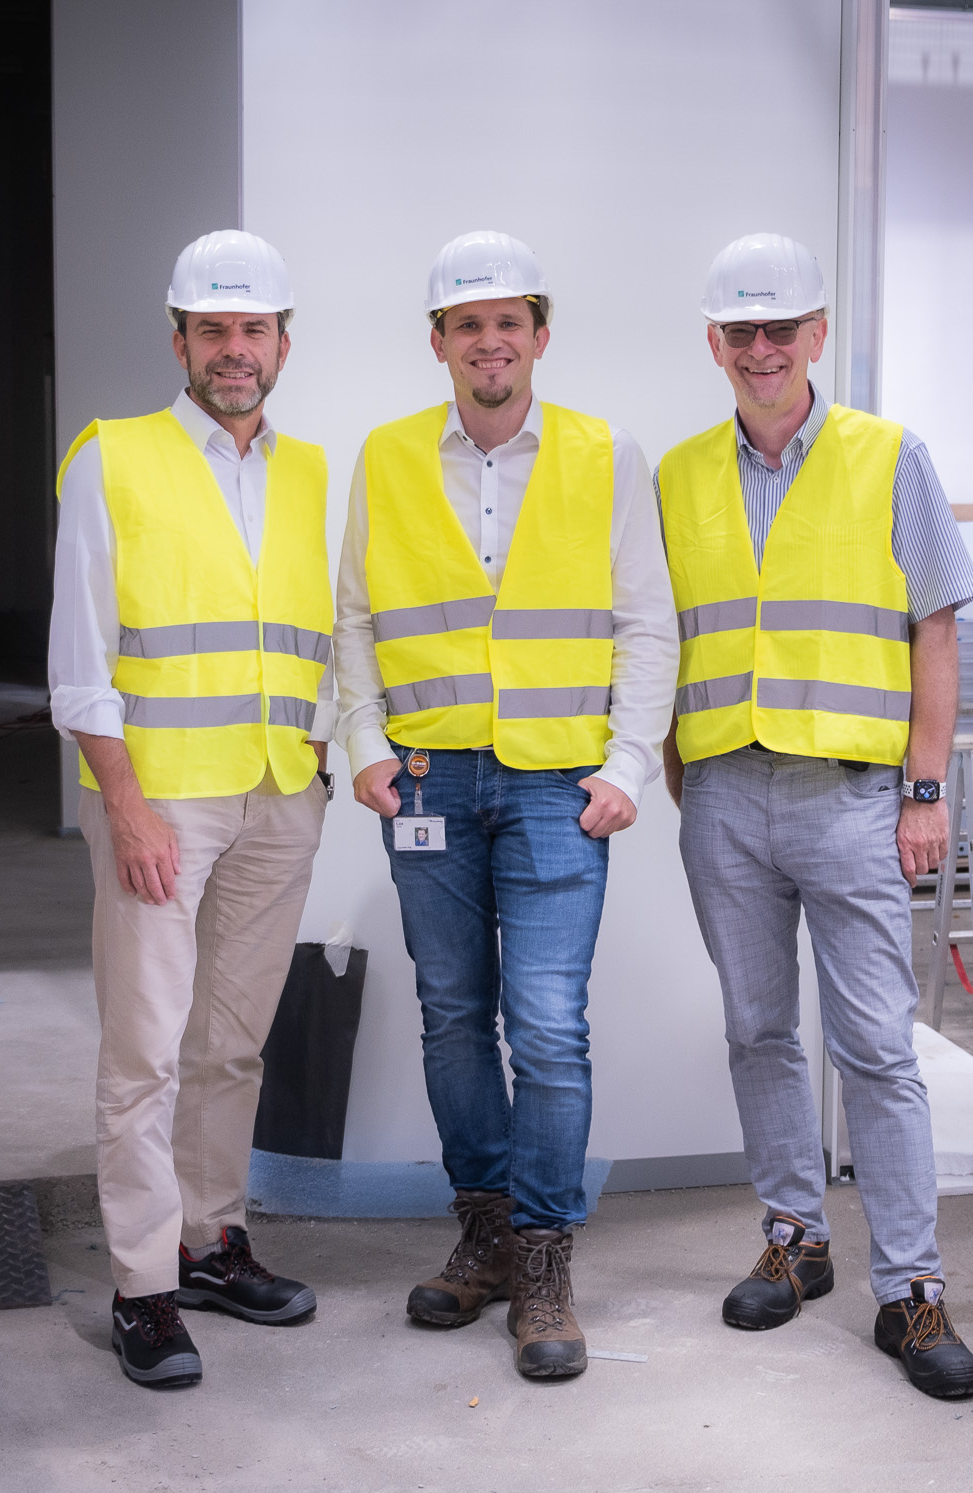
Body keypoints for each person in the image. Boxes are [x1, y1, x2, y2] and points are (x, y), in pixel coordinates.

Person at [334, 231, 677, 1380]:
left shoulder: (598, 451)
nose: (489, 341)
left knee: (545, 1027)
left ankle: (541, 1258)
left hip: (552, 783)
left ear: (537, 334)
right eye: (465, 323)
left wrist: (628, 764)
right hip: (426, 778)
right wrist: (366, 747)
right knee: (449, 1014)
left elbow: (643, 617)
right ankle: (480, 1234)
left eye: (508, 320)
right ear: (437, 343)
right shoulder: (384, 457)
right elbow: (353, 619)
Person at [655, 232, 973, 1400]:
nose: (759, 350)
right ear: (713, 343)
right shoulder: (680, 475)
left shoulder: (887, 457)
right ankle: (794, 1239)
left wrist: (925, 787)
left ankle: (908, 1288)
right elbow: (661, 636)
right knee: (756, 1030)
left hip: (851, 799)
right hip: (723, 794)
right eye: (738, 332)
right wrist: (671, 764)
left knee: (878, 1051)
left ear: (816, 337)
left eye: (778, 330)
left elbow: (934, 627)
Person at [48, 229, 332, 1390]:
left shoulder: (310, 470)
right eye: (211, 329)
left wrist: (316, 756)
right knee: (144, 1054)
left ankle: (210, 1242)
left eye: (251, 329)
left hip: (278, 794)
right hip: (161, 802)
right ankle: (141, 1287)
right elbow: (79, 661)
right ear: (178, 341)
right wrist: (126, 806)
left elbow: (324, 631)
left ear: (280, 344)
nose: (233, 350)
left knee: (231, 1043)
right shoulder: (109, 460)